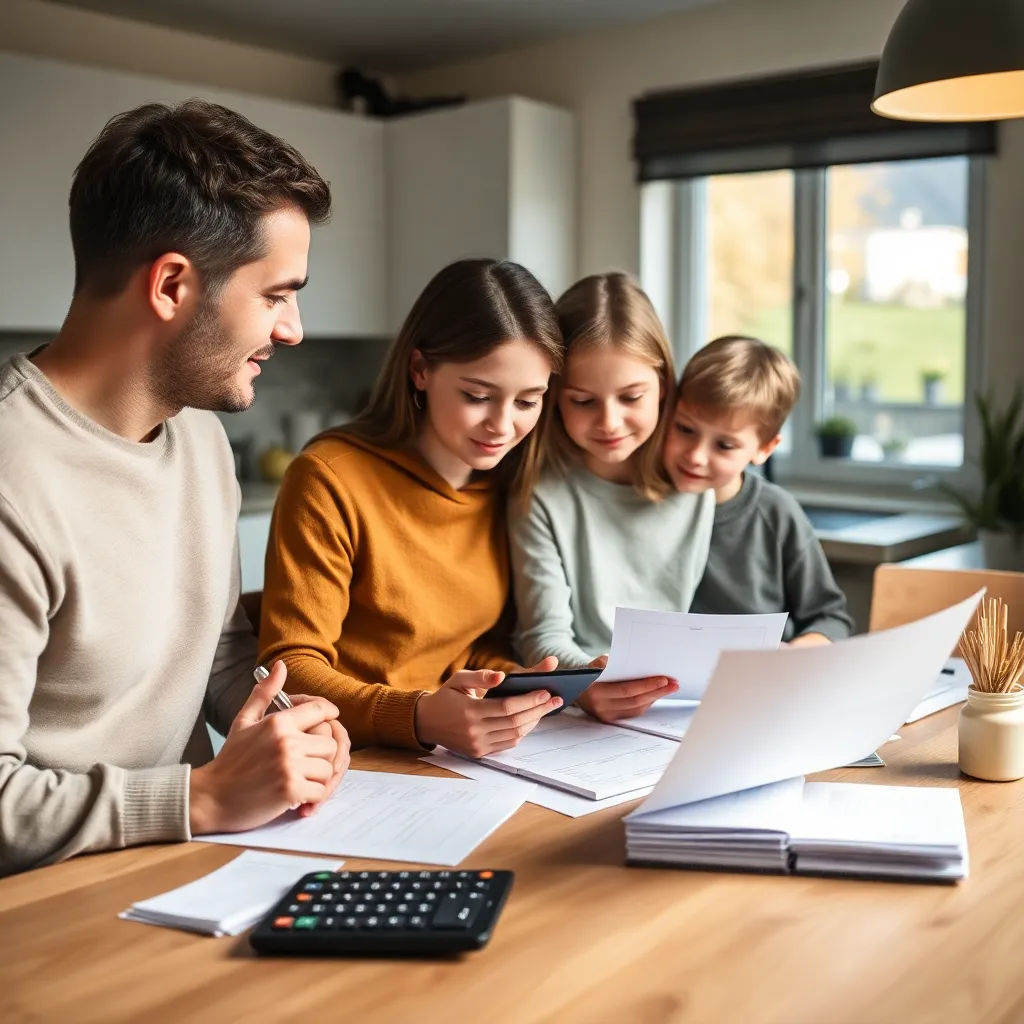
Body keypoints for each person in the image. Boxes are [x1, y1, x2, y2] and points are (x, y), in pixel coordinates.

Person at [0, 99, 350, 877]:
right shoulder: (12, 482)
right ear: (170, 286)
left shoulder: (199, 436)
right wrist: (200, 798)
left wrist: (288, 721)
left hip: (182, 867)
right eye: (276, 294)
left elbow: (214, 650)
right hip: (45, 909)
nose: (292, 328)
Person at [259, 258, 565, 758]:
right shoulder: (329, 479)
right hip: (349, 760)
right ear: (420, 370)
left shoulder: (505, 486)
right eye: (478, 396)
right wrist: (419, 714)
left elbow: (462, 647)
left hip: (459, 759)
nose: (502, 425)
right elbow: (291, 670)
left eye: (528, 402)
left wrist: (518, 685)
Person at [510, 273, 715, 723]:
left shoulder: (698, 480)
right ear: (554, 397)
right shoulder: (541, 495)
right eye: (583, 401)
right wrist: (586, 682)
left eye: (631, 397)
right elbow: (542, 636)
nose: (609, 422)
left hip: (679, 708)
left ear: (664, 385)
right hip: (574, 712)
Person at [663, 335, 853, 644]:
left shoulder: (776, 512)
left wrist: (796, 652)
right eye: (685, 429)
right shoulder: (640, 500)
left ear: (765, 448)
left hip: (765, 669)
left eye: (724, 445)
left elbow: (830, 617)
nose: (696, 456)